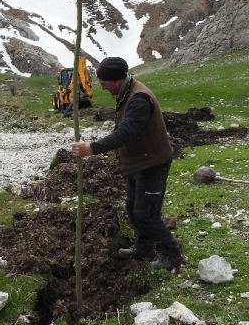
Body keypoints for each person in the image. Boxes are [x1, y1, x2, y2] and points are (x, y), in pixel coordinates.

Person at [70, 57, 182, 270]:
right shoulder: (125, 92)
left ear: (116, 80)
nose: (101, 87)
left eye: (103, 82)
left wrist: (91, 148)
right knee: (132, 207)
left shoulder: (139, 99)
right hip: (138, 161)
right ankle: (144, 246)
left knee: (147, 213)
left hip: (153, 162)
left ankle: (172, 253)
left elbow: (126, 132)